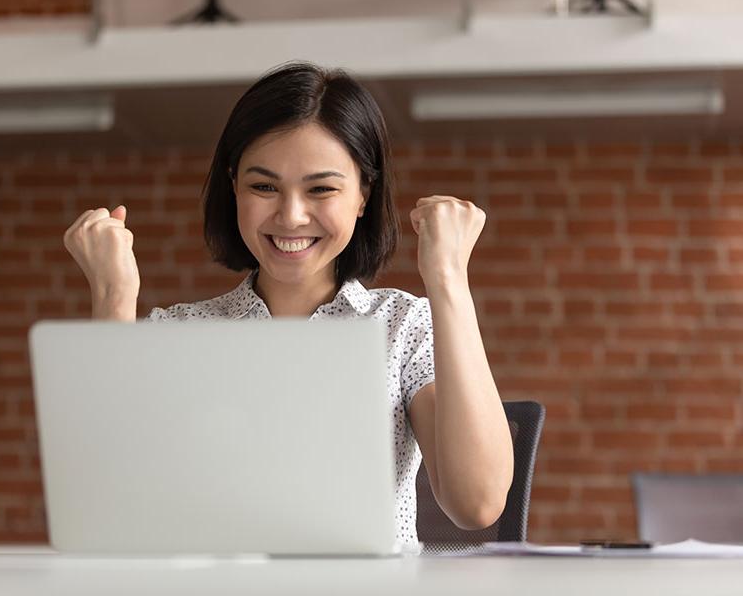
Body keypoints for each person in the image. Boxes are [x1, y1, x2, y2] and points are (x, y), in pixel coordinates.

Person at [63, 61, 513, 549]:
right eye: (264, 186)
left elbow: (477, 504)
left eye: (320, 188)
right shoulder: (176, 333)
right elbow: (102, 513)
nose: (291, 215)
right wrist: (113, 298)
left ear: (364, 193)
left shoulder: (401, 326)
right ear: (233, 185)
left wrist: (447, 279)